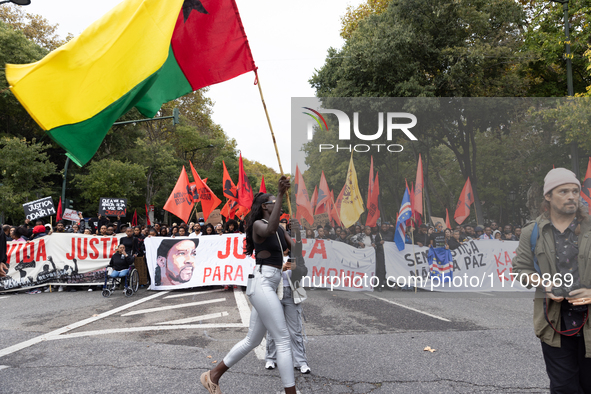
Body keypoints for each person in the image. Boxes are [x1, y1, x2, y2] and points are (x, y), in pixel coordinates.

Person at [200, 176, 299, 394]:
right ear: (265, 206)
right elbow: (271, 230)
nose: (278, 205)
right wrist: (281, 193)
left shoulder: (280, 229)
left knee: (252, 340)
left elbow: (297, 250)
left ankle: (213, 375)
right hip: (262, 282)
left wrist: (297, 232)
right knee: (282, 339)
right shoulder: (259, 225)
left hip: (271, 284)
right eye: (274, 202)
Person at [512, 168, 591, 393]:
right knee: (563, 387)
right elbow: (521, 269)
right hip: (555, 323)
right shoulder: (532, 231)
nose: (571, 196)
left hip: (589, 324)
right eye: (564, 191)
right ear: (548, 196)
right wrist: (543, 283)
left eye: (575, 191)